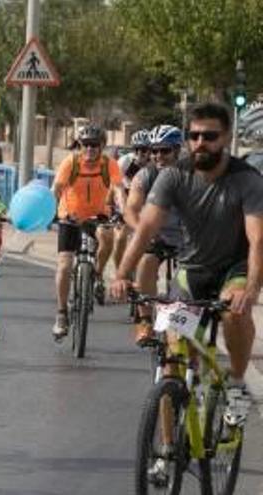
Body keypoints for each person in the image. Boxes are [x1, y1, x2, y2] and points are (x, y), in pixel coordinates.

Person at [112, 103, 263, 426]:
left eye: (209, 136)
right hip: (191, 271)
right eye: (194, 136)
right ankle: (166, 455)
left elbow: (257, 239)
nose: (200, 143)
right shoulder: (173, 175)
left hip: (232, 269)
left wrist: (250, 289)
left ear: (226, 137)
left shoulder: (247, 179)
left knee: (234, 313)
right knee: (172, 365)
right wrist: (122, 274)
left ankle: (237, 384)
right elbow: (146, 228)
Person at [51, 124, 125, 339]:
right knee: (64, 265)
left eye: (95, 145)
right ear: (80, 145)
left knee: (108, 236)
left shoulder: (109, 164)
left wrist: (124, 211)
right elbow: (56, 189)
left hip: (98, 216)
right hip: (70, 216)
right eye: (86, 145)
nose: (90, 149)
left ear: (102, 146)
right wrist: (50, 211)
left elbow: (119, 190)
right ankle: (62, 313)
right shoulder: (71, 162)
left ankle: (98, 275)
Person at [123, 125, 185, 346]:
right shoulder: (145, 175)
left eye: (165, 151)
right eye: (154, 151)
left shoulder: (192, 175)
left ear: (178, 150)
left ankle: (182, 328)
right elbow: (130, 209)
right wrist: (143, 231)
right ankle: (145, 320)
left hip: (186, 237)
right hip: (156, 234)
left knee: (188, 280)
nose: (158, 156)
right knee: (145, 263)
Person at [112, 129, 151, 271]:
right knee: (121, 238)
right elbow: (116, 185)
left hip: (146, 199)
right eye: (137, 149)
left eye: (145, 149)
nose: (141, 152)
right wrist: (118, 206)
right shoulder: (125, 161)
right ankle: (119, 271)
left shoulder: (153, 163)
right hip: (126, 197)